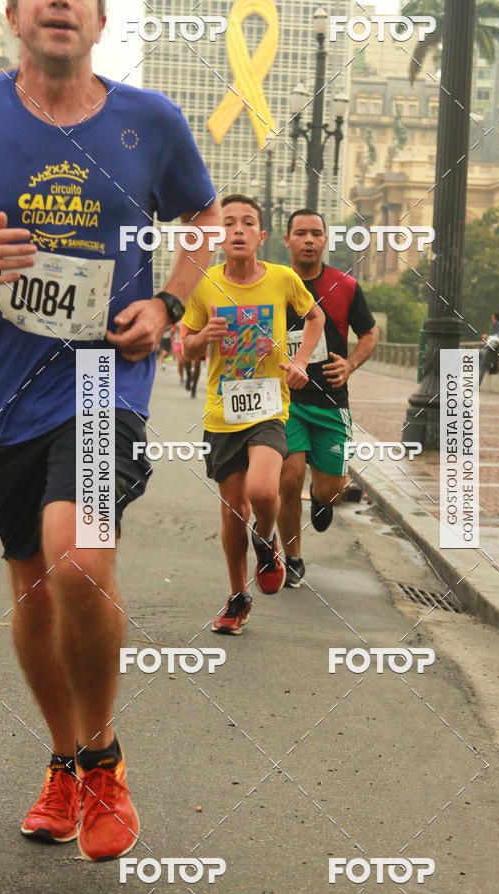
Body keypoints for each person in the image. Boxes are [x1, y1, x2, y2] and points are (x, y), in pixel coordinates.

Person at [0, 0, 219, 862]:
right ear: (12, 16)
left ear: (100, 18)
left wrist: (169, 301)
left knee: (75, 554)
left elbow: (203, 223)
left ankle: (104, 758)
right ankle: (64, 761)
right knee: (33, 585)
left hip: (99, 374)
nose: (57, 4)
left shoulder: (150, 120)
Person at [181, 195, 324, 633]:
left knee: (264, 491)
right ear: (219, 237)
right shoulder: (205, 284)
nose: (238, 230)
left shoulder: (282, 279)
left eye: (248, 223)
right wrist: (203, 335)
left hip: (268, 408)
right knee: (231, 512)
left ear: (261, 237)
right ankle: (236, 597)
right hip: (222, 415)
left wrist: (300, 360)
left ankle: (266, 542)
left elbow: (314, 316)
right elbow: (184, 345)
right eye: (228, 224)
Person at [277, 209, 377, 587]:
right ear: (287, 240)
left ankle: (320, 501)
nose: (308, 239)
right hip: (287, 401)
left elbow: (369, 334)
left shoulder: (345, 286)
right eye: (300, 233)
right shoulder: (272, 283)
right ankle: (293, 556)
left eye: (315, 233)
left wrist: (350, 365)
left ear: (325, 240)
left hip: (332, 401)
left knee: (331, 488)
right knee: (288, 480)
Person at [479, 312, 499, 385]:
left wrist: (487, 337)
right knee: (481, 365)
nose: (492, 319)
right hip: (490, 350)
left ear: (494, 318)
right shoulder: (498, 324)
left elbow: (497, 338)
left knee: (482, 367)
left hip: (490, 350)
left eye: (492, 318)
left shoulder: (498, 325)